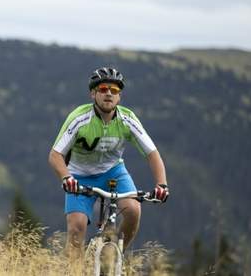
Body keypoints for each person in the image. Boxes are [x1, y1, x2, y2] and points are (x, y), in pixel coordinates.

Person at [47, 67, 169, 259]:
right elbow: (55, 155)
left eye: (115, 91)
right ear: (93, 93)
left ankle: (112, 258)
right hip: (79, 176)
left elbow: (152, 153)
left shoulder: (127, 119)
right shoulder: (79, 118)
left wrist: (162, 184)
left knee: (133, 210)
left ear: (119, 97)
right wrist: (66, 177)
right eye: (103, 89)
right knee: (76, 228)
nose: (109, 94)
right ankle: (75, 272)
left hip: (113, 172)